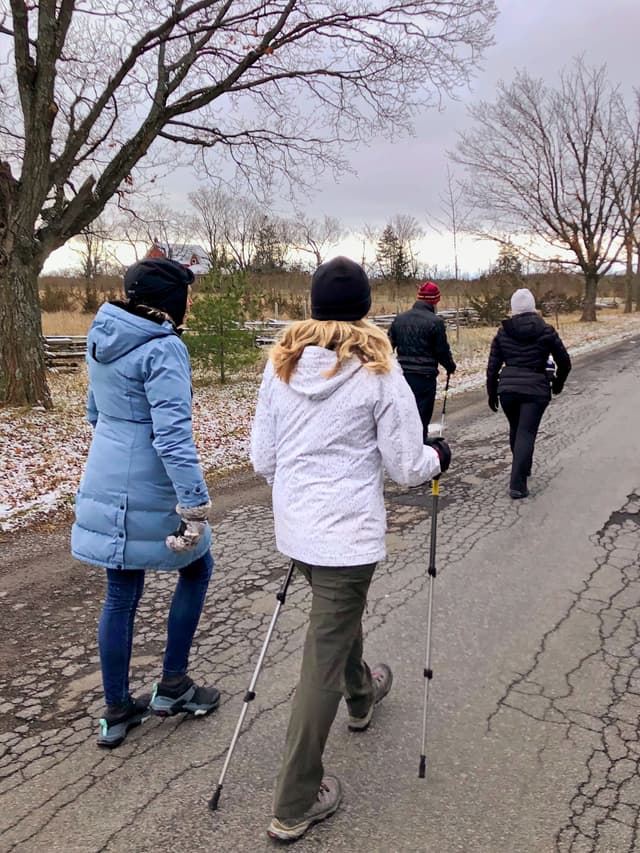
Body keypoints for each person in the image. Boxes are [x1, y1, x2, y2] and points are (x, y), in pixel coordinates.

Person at [250, 256, 451, 843]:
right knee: (323, 650)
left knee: (337, 623)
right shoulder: (377, 369)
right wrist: (439, 458)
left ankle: (361, 694)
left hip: (299, 529)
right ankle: (295, 800)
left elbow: (264, 459)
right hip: (347, 533)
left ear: (312, 305)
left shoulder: (281, 365)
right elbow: (408, 465)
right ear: (365, 308)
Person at [71, 258, 220, 749]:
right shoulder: (164, 348)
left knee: (121, 591)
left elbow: (96, 412)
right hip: (152, 479)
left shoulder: (103, 337)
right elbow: (173, 438)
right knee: (197, 568)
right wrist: (194, 506)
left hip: (107, 469)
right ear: (171, 300)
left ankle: (116, 711)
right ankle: (173, 685)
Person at [486, 287, 571, 499]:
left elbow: (493, 365)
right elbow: (565, 362)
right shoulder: (546, 330)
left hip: (508, 389)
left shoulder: (503, 332)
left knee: (517, 429)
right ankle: (517, 483)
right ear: (533, 307)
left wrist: (492, 392)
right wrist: (558, 384)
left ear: (513, 309)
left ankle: (523, 467)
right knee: (526, 432)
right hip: (535, 388)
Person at [388, 280, 457, 439]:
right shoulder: (435, 322)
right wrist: (450, 366)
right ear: (434, 301)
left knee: (405, 415)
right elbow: (442, 351)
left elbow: (387, 345)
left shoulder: (400, 319)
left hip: (402, 376)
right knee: (421, 417)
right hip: (425, 377)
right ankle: (419, 450)